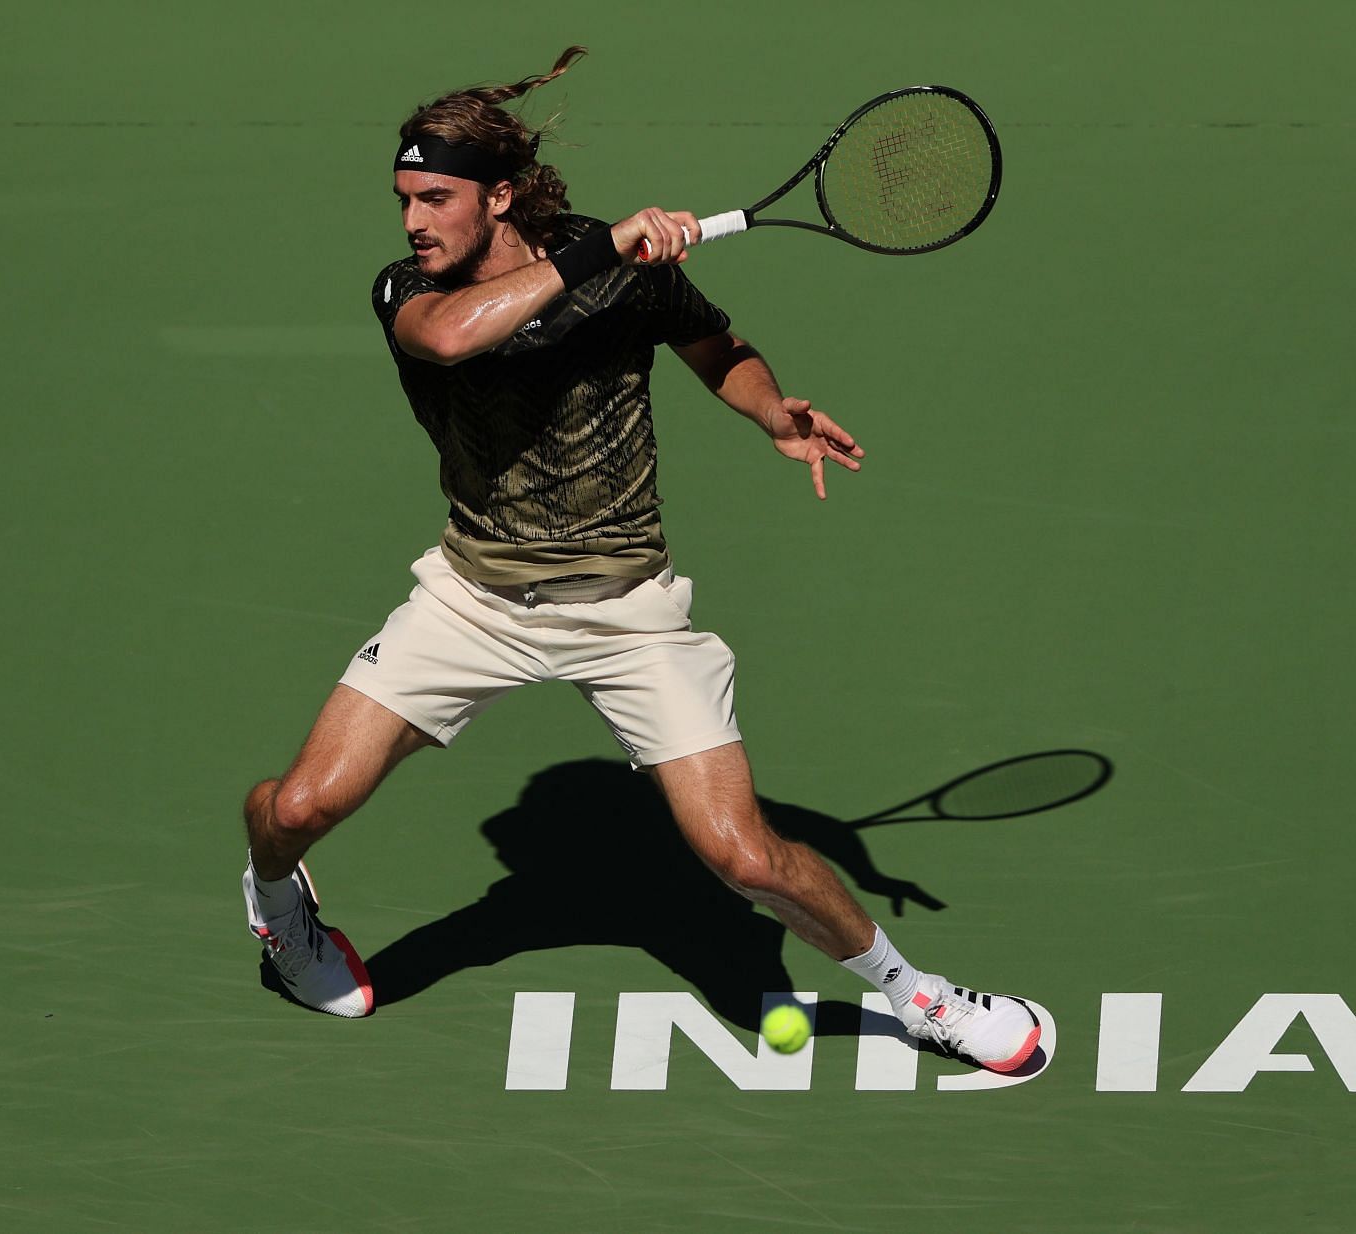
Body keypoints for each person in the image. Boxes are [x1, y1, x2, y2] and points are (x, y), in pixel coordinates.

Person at [239, 46, 1045, 1074]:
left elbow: (717, 347)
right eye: (405, 198)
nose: (413, 221)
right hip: (474, 598)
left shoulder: (627, 278)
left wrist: (772, 413)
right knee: (300, 808)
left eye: (436, 198)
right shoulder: (411, 290)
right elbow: (450, 343)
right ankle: (273, 900)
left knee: (745, 855)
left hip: (627, 611)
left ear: (499, 196)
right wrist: (602, 253)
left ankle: (922, 997)